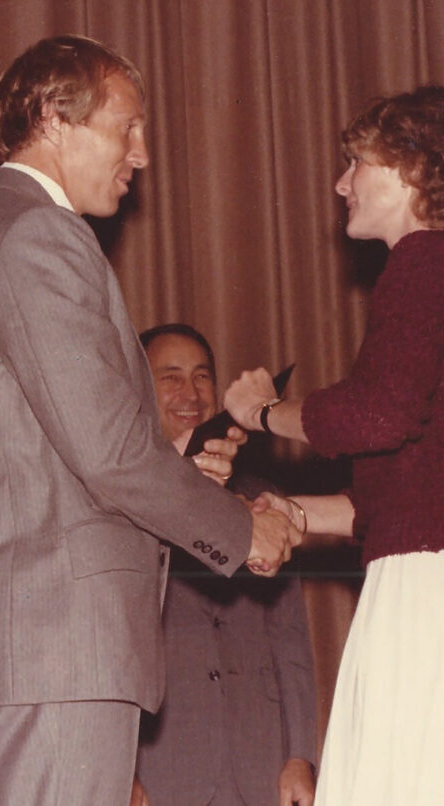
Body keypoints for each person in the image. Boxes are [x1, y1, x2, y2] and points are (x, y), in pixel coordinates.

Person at [0, 36, 297, 806]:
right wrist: (240, 528)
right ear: (54, 117)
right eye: (128, 127)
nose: (142, 155)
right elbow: (112, 457)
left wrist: (177, 476)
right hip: (56, 653)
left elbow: (40, 461)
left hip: (13, 654)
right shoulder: (39, 235)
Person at [225, 86, 444, 804]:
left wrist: (263, 413)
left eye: (356, 162)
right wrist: (286, 509)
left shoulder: (424, 263)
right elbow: (391, 498)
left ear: (412, 166)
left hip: (437, 596)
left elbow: (374, 416)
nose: (340, 183)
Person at [130, 324, 318, 806]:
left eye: (201, 376)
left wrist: (300, 756)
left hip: (257, 764)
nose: (189, 392)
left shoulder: (260, 500)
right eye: (170, 377)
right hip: (161, 767)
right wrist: (119, 769)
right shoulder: (123, 504)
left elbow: (290, 639)